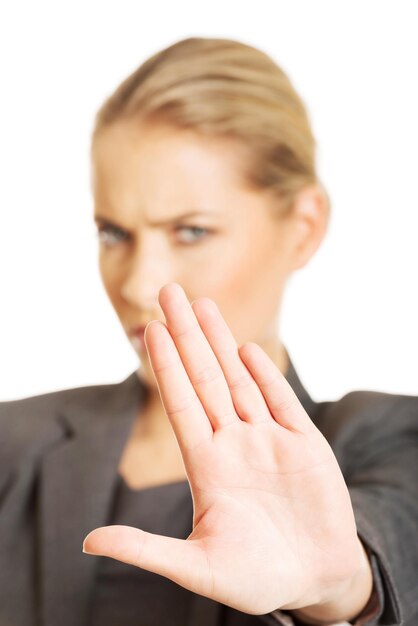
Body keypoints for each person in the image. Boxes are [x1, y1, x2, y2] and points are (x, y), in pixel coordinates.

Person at [0, 36, 417, 626]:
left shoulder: (390, 439)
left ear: (303, 227)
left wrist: (342, 585)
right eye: (114, 233)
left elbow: (394, 546)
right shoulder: (11, 443)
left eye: (191, 231)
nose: (139, 285)